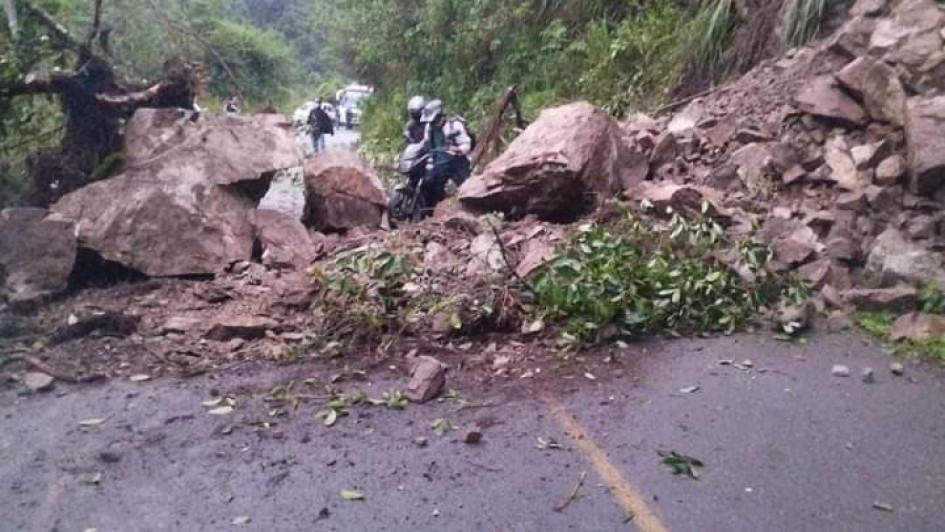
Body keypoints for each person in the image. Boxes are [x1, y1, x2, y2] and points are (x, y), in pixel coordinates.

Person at [420, 99, 472, 205]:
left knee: (467, 188)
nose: (432, 123)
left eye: (434, 120)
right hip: (437, 163)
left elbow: (467, 144)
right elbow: (426, 143)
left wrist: (457, 149)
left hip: (456, 162)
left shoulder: (454, 125)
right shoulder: (429, 128)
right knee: (430, 186)